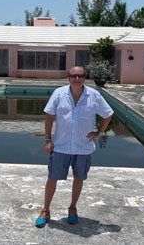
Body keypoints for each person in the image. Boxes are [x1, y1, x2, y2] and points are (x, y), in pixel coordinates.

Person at [35, 66, 113, 228]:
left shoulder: (94, 96)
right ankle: (46, 209)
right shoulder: (59, 94)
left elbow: (108, 113)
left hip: (83, 147)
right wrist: (48, 139)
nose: (77, 79)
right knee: (52, 178)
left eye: (80, 76)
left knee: (79, 178)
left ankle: (72, 207)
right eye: (73, 76)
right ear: (68, 77)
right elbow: (49, 116)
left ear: (85, 77)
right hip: (61, 146)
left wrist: (99, 131)